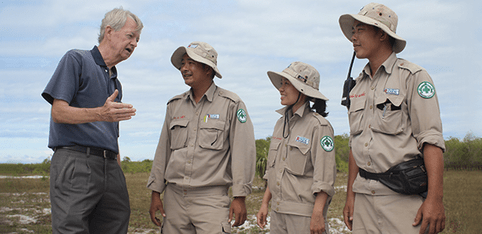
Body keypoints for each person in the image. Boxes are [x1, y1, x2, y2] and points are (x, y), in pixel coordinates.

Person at [338, 3, 446, 234]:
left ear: (381, 35)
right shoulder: (357, 86)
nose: (353, 38)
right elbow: (355, 145)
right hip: (364, 198)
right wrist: (351, 195)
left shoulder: (413, 77)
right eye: (353, 31)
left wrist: (435, 200)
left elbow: (431, 140)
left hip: (402, 199)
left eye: (360, 30)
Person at [41, 7, 143, 234]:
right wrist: (100, 113)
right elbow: (59, 112)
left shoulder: (116, 82)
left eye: (137, 39)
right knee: (72, 228)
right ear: (109, 31)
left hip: (109, 166)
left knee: (116, 222)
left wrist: (117, 171)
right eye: (130, 36)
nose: (135, 43)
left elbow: (111, 134)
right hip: (76, 160)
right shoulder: (76, 59)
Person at [147, 41, 256, 234]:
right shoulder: (174, 105)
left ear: (208, 69)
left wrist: (240, 197)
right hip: (174, 199)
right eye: (182, 63)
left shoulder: (231, 104)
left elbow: (243, 152)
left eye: (191, 63)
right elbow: (163, 150)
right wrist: (156, 193)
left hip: (211, 199)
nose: (184, 68)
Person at [256, 62, 336, 234]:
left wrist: (318, 214)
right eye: (281, 83)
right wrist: (265, 203)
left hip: (304, 216)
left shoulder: (319, 126)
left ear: (303, 90)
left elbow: (324, 177)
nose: (281, 89)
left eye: (287, 84)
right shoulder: (280, 124)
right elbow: (274, 170)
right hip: (278, 214)